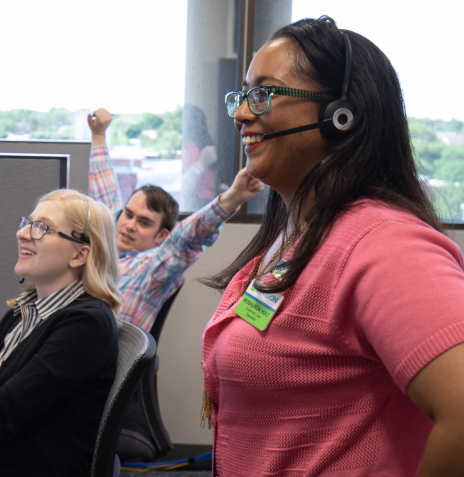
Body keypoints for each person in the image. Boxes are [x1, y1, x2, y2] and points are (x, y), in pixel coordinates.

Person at [201, 16, 464, 475]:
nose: (242, 113)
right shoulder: (299, 233)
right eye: (242, 95)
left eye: (264, 93)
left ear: (339, 115)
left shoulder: (384, 244)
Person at [0, 189, 122, 476]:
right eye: (27, 222)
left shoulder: (86, 326)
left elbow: (3, 413)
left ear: (79, 254)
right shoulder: (25, 311)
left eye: (42, 228)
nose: (23, 233)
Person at [88, 108, 264, 331]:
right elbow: (103, 197)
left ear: (160, 236)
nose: (129, 225)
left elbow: (184, 241)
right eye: (128, 215)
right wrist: (98, 135)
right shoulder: (104, 250)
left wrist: (230, 199)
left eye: (144, 223)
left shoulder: (150, 270)